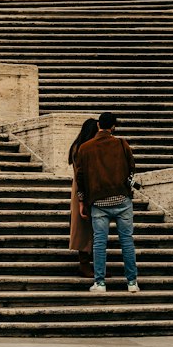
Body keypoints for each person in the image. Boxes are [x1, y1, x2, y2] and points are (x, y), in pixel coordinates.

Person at [74, 111, 139, 294]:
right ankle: (132, 282)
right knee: (127, 241)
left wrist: (81, 200)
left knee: (99, 243)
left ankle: (100, 283)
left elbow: (80, 177)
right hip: (122, 199)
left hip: (98, 202)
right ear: (113, 127)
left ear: (98, 126)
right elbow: (132, 168)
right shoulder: (121, 144)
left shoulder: (85, 148)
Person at [68, 118, 98, 280]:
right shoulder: (81, 148)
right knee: (84, 228)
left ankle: (91, 265)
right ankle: (84, 265)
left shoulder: (78, 146)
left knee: (88, 228)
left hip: (81, 189)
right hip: (82, 190)